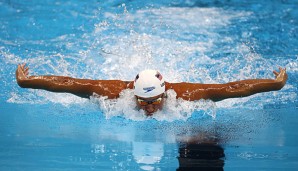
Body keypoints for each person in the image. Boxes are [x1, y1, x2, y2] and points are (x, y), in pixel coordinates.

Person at [16, 63, 288, 116]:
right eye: (143, 102)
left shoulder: (183, 94)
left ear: (164, 92)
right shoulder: (113, 92)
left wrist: (274, 85)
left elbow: (231, 88)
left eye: (155, 102)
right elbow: (70, 84)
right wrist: (27, 81)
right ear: (132, 93)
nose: (149, 108)